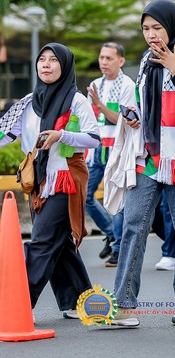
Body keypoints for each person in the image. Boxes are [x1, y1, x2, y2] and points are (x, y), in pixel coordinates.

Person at [112, 0, 175, 327]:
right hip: (148, 155)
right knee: (133, 225)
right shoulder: (145, 60)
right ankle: (123, 305)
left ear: (172, 26)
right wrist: (132, 114)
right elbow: (144, 103)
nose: (151, 34)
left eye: (157, 27)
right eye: (146, 28)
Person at [0, 43, 100, 317]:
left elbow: (94, 138)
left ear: (64, 66)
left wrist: (61, 135)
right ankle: (79, 301)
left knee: (42, 241)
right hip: (38, 181)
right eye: (42, 59)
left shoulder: (76, 100)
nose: (46, 64)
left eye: (53, 60)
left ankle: (16, 306)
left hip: (66, 179)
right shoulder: (28, 102)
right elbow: (6, 134)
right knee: (59, 243)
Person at [86, 42, 136, 266]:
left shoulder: (128, 85)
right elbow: (89, 120)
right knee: (85, 196)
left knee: (116, 198)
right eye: (102, 57)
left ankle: (117, 249)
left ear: (121, 61)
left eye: (109, 58)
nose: (104, 62)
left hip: (117, 149)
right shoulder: (95, 84)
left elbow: (122, 120)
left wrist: (99, 104)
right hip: (97, 149)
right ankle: (111, 234)